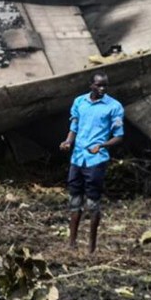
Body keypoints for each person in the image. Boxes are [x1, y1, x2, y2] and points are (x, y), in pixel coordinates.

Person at [59, 71, 124, 254]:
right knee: (74, 199)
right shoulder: (80, 102)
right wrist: (68, 142)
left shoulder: (114, 107)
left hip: (96, 160)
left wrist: (101, 145)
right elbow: (74, 127)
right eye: (99, 85)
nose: (102, 89)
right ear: (91, 85)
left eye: (105, 85)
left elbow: (119, 136)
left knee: (93, 203)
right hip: (78, 158)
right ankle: (72, 243)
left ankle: (91, 247)